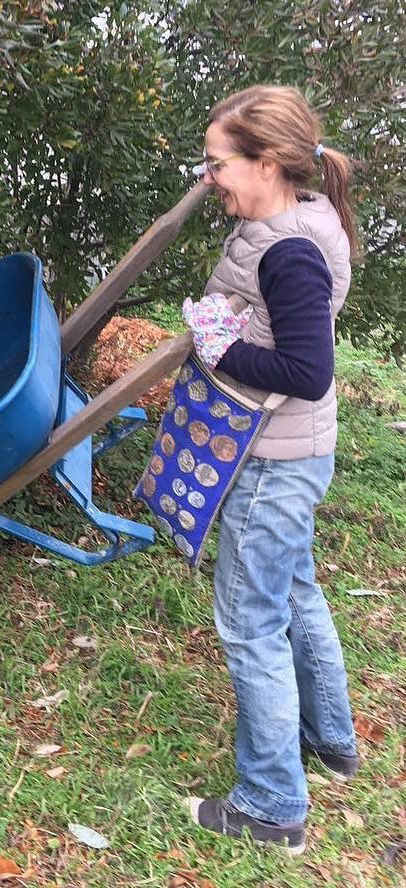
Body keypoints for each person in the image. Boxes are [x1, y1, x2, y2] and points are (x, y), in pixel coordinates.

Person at [180, 85, 359, 855]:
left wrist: (217, 344)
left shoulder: (288, 248)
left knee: (250, 623)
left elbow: (307, 369)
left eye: (216, 163)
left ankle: (271, 803)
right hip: (295, 452)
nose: (207, 177)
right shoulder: (290, 222)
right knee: (293, 589)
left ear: (267, 162)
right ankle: (332, 742)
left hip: (271, 460)